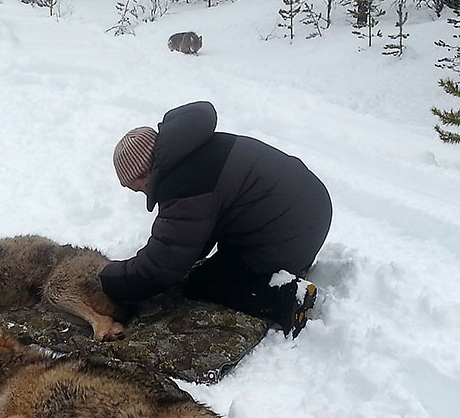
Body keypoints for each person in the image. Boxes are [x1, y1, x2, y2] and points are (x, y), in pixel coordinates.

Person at [99, 101, 332, 337]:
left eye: (135, 186)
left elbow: (163, 265)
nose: (140, 192)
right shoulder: (195, 148)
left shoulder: (183, 183)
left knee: (203, 283)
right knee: (206, 267)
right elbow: (193, 238)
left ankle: (286, 299)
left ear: (143, 171)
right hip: (310, 212)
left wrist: (107, 279)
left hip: (288, 234)